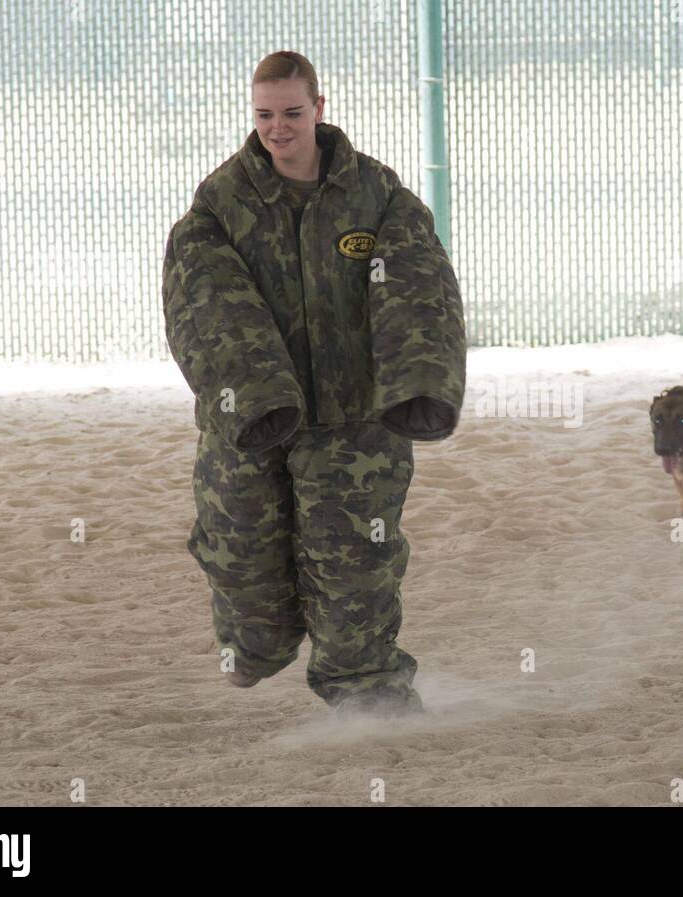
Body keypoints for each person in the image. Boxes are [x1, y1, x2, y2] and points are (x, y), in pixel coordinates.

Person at [162, 51, 466, 717]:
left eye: (292, 113)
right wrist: (252, 393)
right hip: (253, 420)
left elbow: (420, 287)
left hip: (350, 423)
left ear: (319, 109)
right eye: (266, 115)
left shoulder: (376, 195)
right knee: (242, 558)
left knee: (354, 561)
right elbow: (203, 299)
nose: (279, 128)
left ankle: (371, 696)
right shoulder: (222, 203)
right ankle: (256, 644)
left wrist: (419, 385)